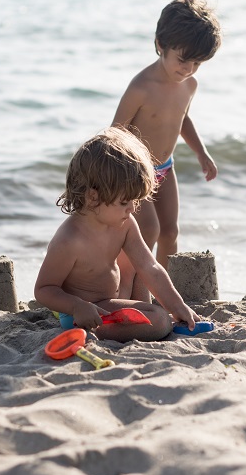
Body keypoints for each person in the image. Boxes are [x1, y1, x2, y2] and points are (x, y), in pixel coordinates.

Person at [34, 127, 202, 342]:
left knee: (139, 263)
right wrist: (77, 306)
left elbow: (150, 267)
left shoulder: (125, 224)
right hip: (88, 313)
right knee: (160, 321)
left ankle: (147, 314)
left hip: (113, 296)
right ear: (93, 197)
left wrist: (178, 306)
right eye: (124, 202)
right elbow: (44, 289)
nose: (132, 209)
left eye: (135, 201)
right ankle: (111, 327)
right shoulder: (70, 239)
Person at [111, 0, 222, 301]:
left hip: (165, 167)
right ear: (161, 45)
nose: (187, 68)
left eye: (197, 62)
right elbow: (115, 132)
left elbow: (182, 119)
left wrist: (201, 152)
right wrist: (122, 176)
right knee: (147, 230)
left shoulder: (189, 84)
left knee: (170, 232)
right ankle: (132, 291)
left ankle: (160, 292)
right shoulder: (142, 86)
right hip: (135, 171)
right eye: (182, 59)